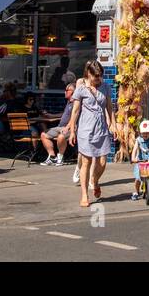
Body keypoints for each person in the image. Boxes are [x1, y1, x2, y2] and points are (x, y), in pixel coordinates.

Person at [68, 59, 114, 208]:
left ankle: (95, 180)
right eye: (95, 76)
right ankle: (84, 195)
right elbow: (75, 111)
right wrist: (72, 130)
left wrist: (112, 123)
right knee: (86, 162)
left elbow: (109, 106)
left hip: (101, 128)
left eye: (100, 75)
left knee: (102, 162)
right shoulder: (81, 88)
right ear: (89, 74)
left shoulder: (105, 87)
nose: (98, 79)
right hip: (86, 129)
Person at [39, 81, 77, 166]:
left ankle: (60, 157)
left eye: (67, 90)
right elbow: (63, 114)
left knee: (61, 137)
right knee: (43, 135)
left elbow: (74, 117)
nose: (65, 92)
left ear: (73, 92)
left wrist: (67, 127)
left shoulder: (76, 102)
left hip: (71, 128)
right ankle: (52, 157)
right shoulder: (69, 102)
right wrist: (51, 115)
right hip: (60, 127)